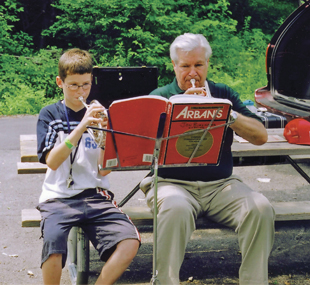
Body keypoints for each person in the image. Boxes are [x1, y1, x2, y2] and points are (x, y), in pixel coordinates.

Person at [140, 33, 275, 285]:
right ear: (174, 66)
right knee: (175, 208)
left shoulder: (223, 93)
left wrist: (226, 113)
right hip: (172, 184)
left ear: (207, 64)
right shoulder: (160, 96)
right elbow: (142, 148)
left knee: (261, 208)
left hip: (220, 185)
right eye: (185, 66)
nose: (193, 73)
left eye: (198, 65)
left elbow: (260, 136)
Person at [36, 48, 140, 285]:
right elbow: (52, 161)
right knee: (53, 246)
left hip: (95, 196)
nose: (80, 92)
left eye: (86, 84)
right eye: (73, 85)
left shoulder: (101, 115)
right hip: (58, 197)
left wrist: (104, 135)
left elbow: (104, 170)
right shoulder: (49, 115)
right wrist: (81, 127)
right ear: (59, 82)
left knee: (130, 242)